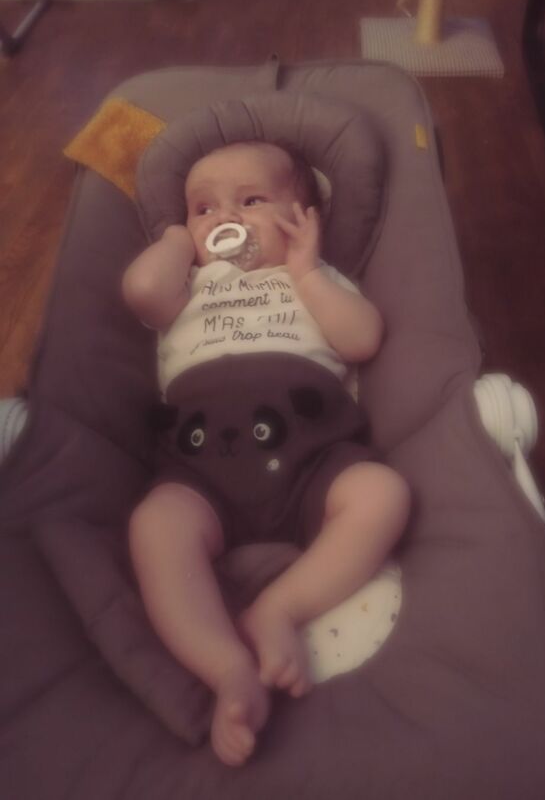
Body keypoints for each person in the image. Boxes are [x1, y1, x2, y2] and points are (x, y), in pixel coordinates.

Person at [122, 140, 411, 767]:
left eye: (250, 201)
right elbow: (142, 289)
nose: (224, 218)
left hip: (312, 454)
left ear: (303, 218)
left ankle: (277, 609)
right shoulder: (187, 285)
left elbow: (363, 339)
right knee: (154, 526)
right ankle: (226, 666)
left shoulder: (315, 279)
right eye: (203, 208)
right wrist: (176, 238)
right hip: (201, 464)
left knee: (383, 494)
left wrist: (306, 271)